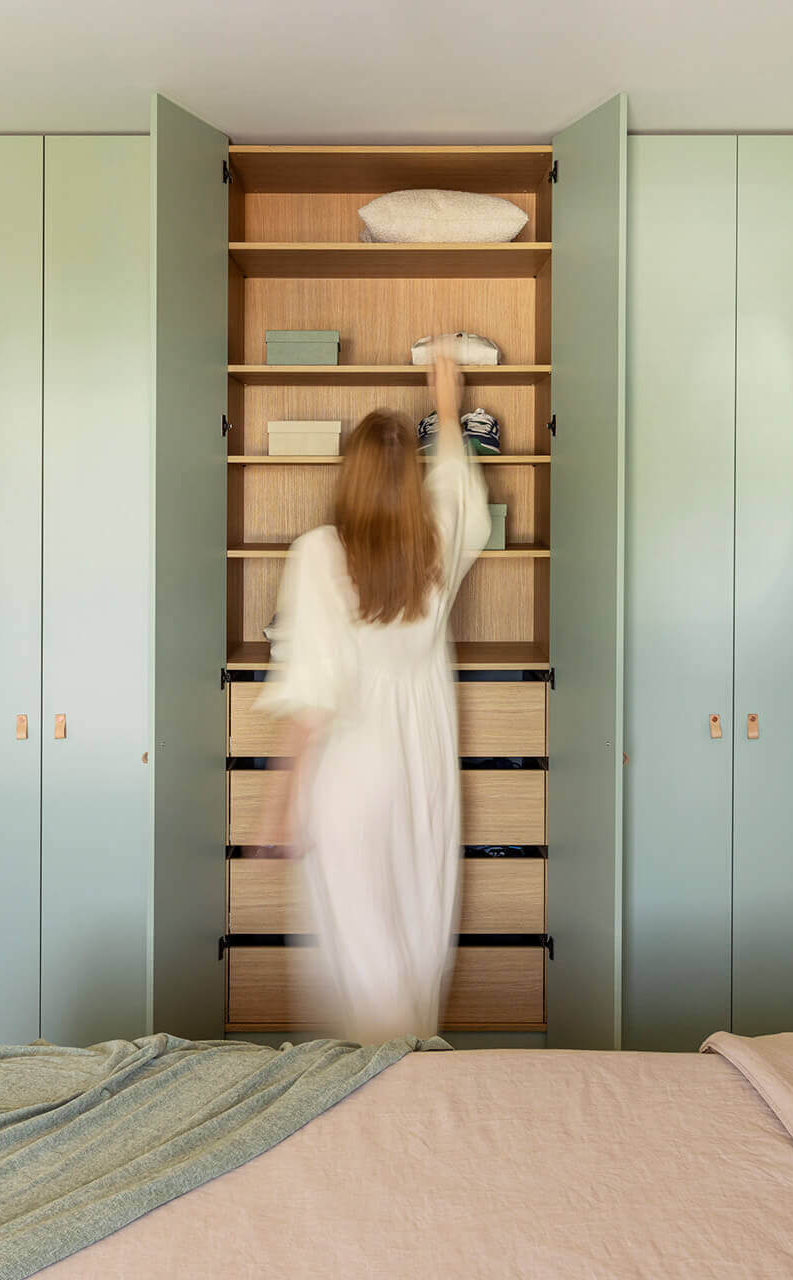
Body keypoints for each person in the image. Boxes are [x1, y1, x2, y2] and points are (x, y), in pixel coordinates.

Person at [255, 351, 491, 1042]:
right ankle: (409, 1081)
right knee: (415, 921)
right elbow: (460, 493)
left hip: (353, 763)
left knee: (361, 944)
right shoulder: (435, 543)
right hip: (421, 759)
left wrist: (278, 806)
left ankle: (369, 1099)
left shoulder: (321, 554)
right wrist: (447, 409)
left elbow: (313, 700)